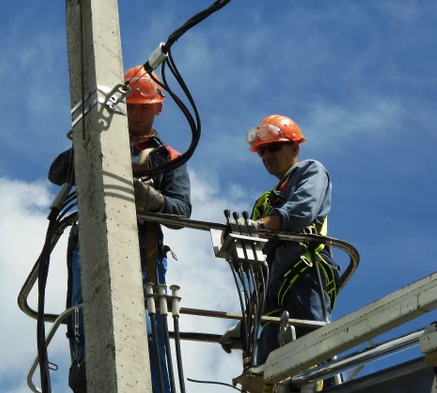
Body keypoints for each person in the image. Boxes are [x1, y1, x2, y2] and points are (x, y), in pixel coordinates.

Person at [48, 65, 192, 393]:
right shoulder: (99, 143)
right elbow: (57, 172)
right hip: (90, 246)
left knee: (145, 329)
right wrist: (93, 138)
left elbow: (181, 213)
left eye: (143, 107)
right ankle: (90, 375)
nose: (137, 113)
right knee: (88, 318)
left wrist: (152, 199)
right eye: (130, 107)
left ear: (157, 108)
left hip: (143, 251)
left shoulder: (168, 158)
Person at [220, 115, 339, 372]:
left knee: (312, 356)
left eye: (273, 147)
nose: (266, 156)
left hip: (306, 276)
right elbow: (263, 271)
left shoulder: (310, 171)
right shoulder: (266, 201)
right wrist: (246, 323)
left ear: (295, 148)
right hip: (274, 293)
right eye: (261, 151)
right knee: (268, 372)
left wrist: (258, 226)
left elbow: (300, 213)